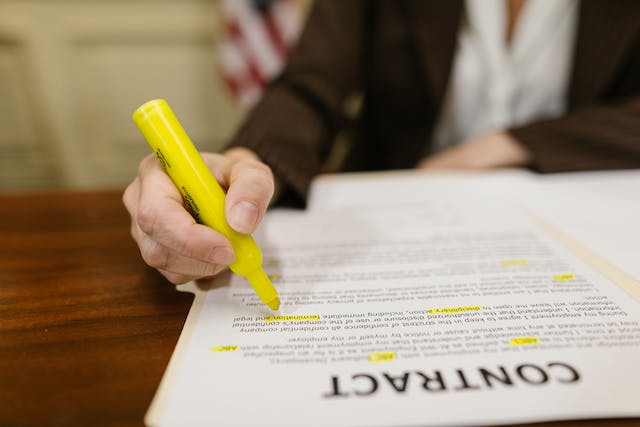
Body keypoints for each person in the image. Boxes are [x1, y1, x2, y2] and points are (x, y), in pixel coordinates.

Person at [123, 0, 640, 285]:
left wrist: (511, 143)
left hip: (580, 222)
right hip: (388, 220)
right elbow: (309, 87)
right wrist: (245, 163)